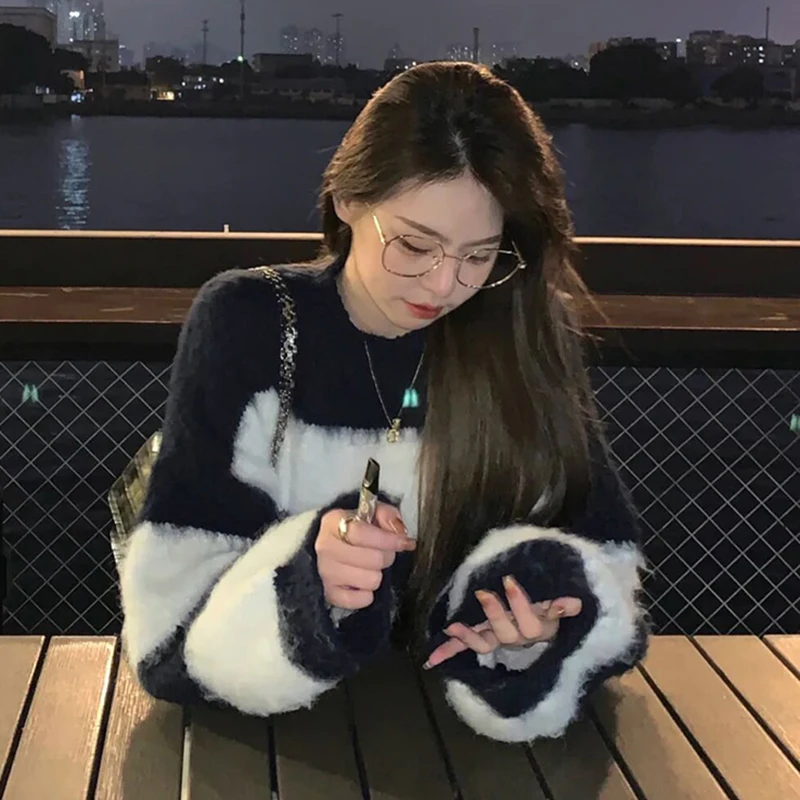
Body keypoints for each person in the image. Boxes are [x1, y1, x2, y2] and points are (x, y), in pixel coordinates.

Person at [118, 61, 648, 743]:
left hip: (461, 751)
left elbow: (609, 577)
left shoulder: (524, 332)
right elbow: (167, 645)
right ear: (346, 199)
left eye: (480, 255)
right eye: (415, 244)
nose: (444, 284)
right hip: (271, 747)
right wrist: (305, 580)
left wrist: (533, 633)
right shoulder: (250, 322)